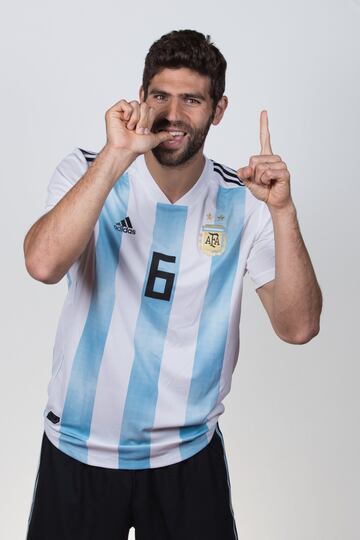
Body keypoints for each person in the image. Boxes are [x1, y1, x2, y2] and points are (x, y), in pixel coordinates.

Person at [23, 29, 322, 540]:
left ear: (218, 110)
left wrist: (283, 212)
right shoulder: (87, 170)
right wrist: (117, 157)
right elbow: (43, 264)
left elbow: (298, 327)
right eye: (160, 95)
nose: (173, 114)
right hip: (78, 448)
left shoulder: (245, 201)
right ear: (141, 99)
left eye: (192, 99)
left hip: (187, 459)